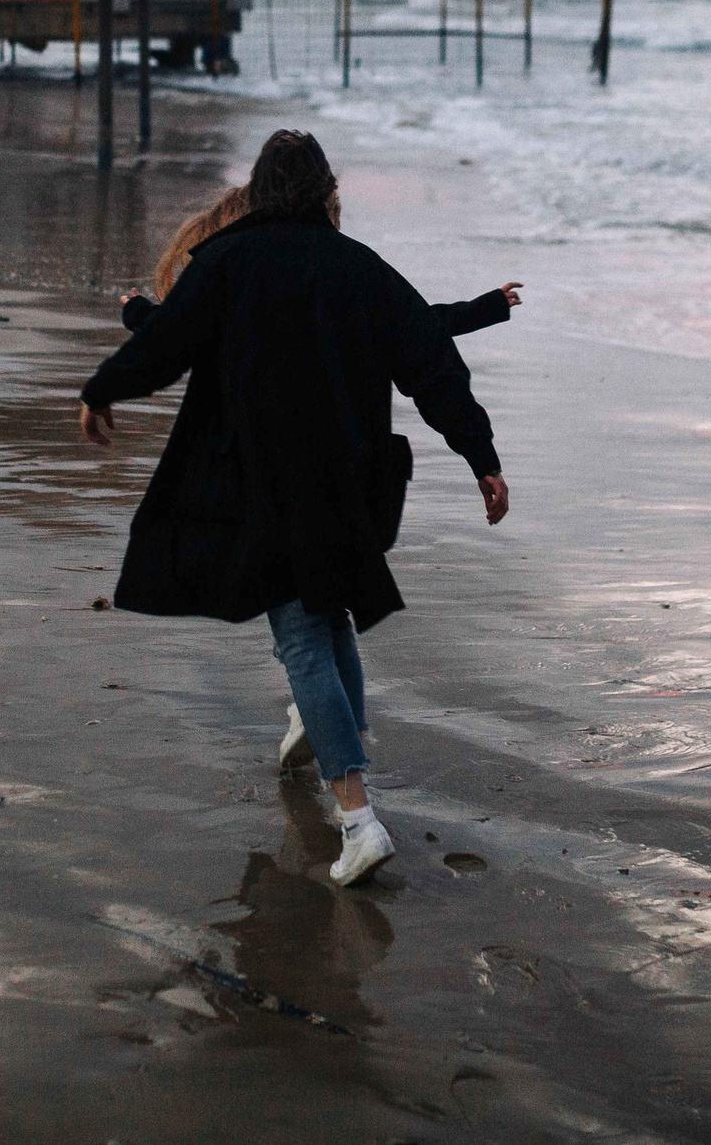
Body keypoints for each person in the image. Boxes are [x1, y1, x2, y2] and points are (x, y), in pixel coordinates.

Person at [78, 130, 509, 888]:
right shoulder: (360, 267)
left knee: (302, 637)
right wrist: (483, 459)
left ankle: (359, 818)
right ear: (325, 190)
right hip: (351, 477)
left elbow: (168, 343)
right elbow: (430, 360)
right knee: (328, 616)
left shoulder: (228, 261)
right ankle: (327, 737)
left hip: (266, 478)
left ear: (259, 189)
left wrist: (102, 389)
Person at [120, 182, 522, 338]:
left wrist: (136, 311)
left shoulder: (239, 290)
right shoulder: (338, 284)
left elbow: (173, 329)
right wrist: (484, 308)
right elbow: (414, 326)